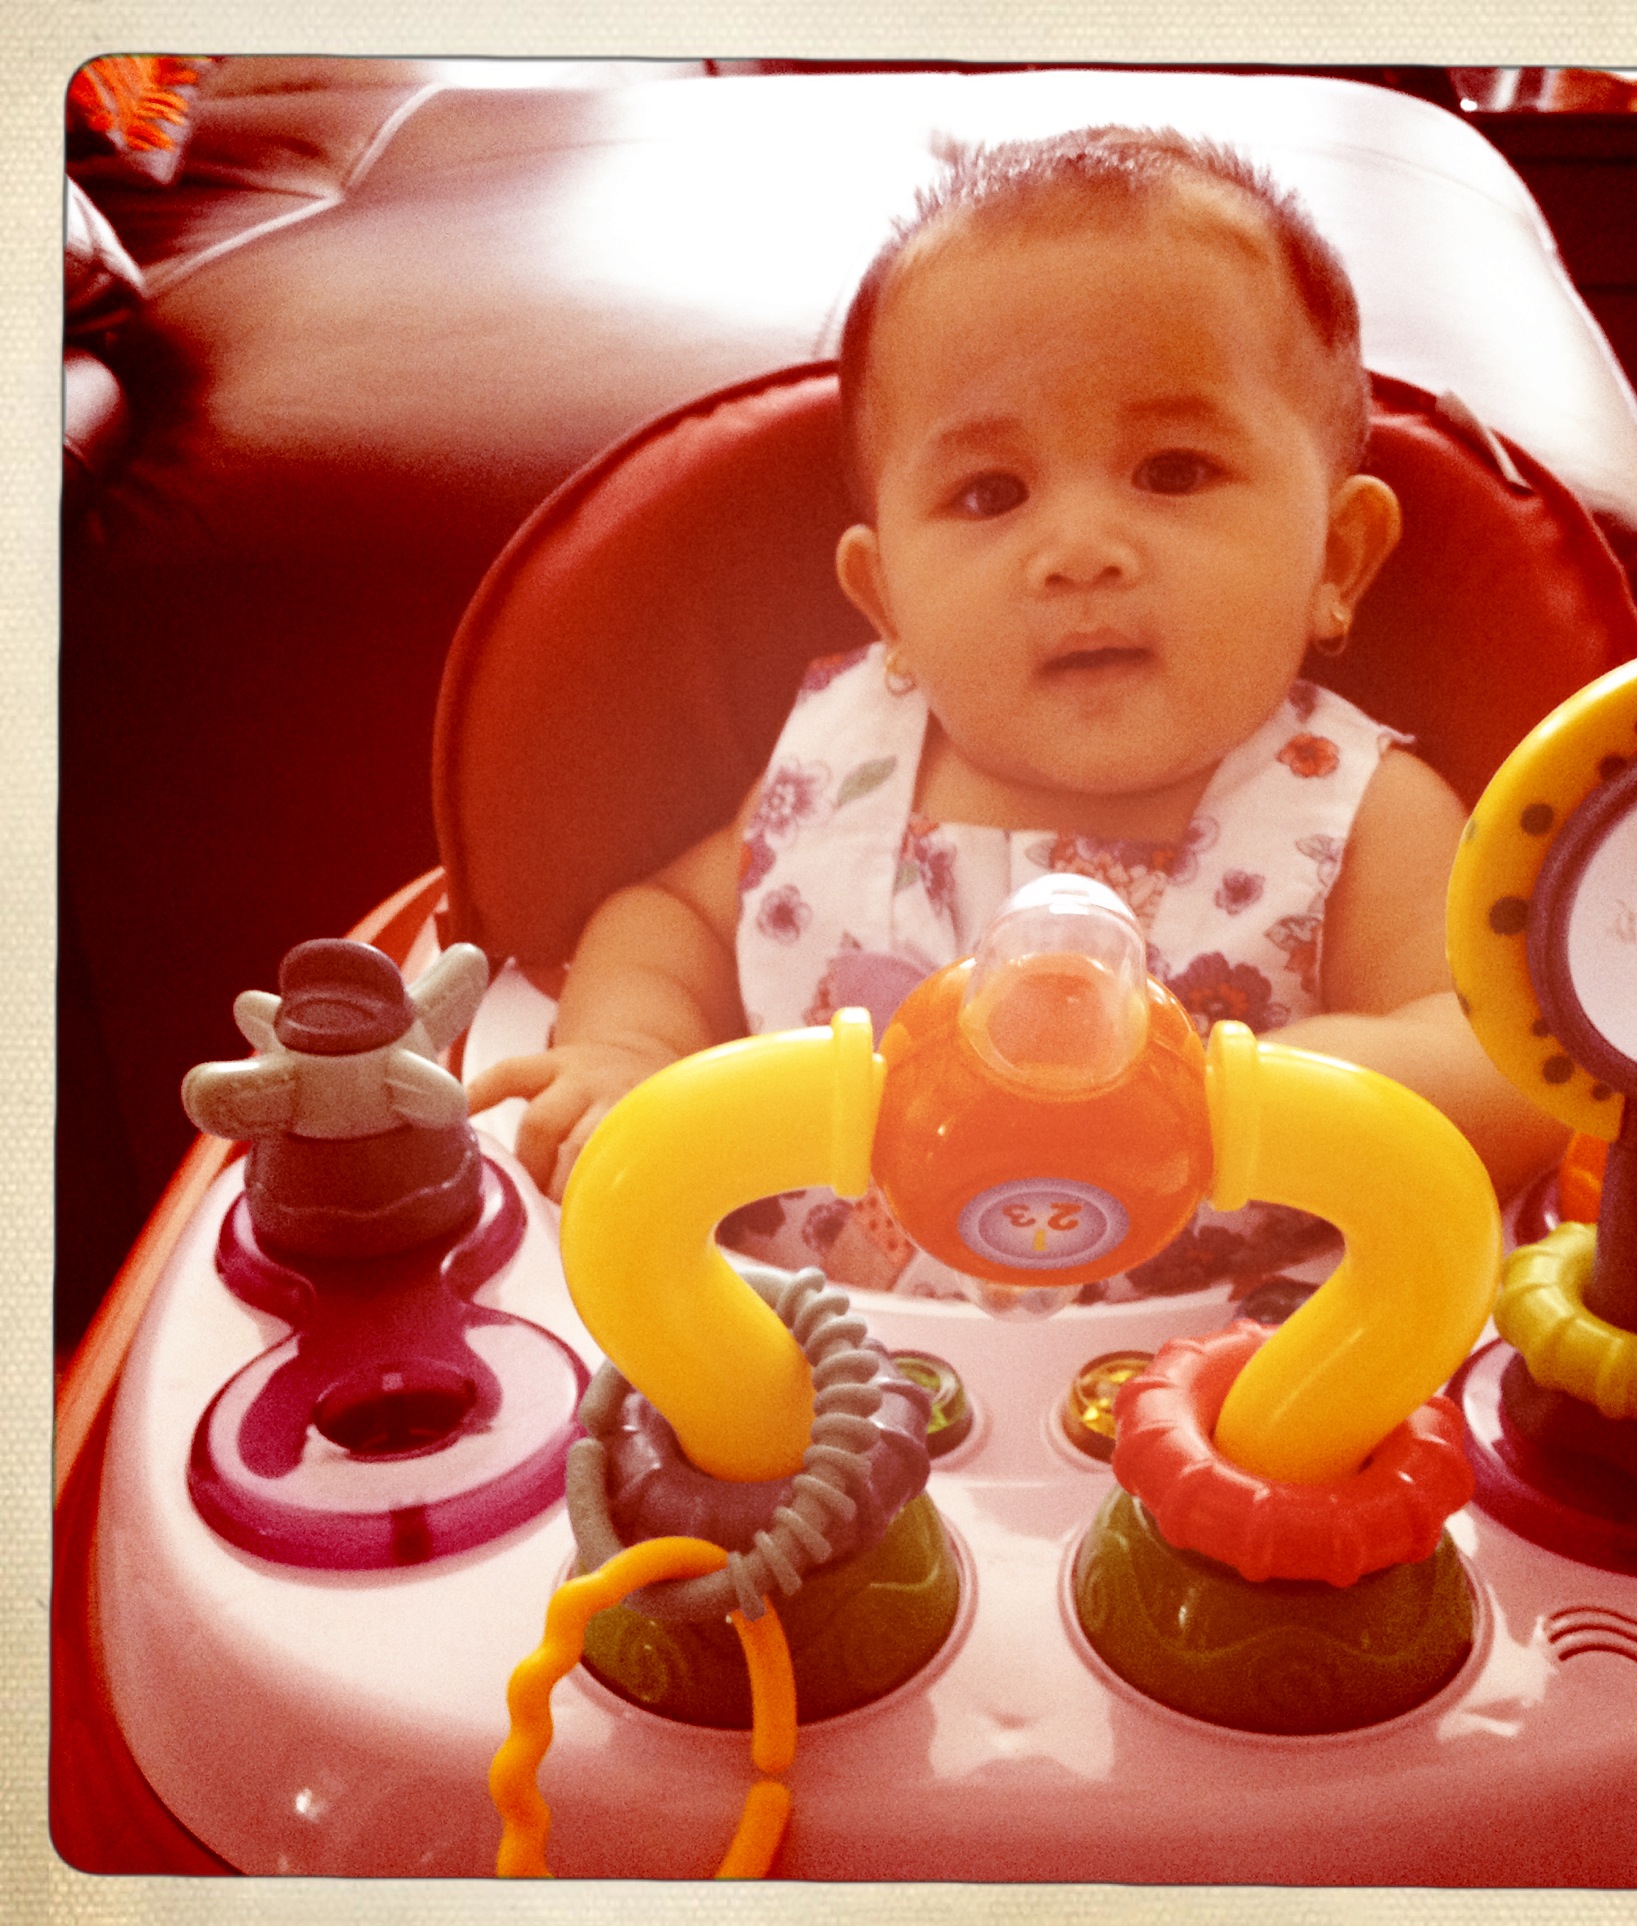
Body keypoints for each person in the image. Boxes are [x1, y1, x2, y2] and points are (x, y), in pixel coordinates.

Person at [468, 126, 1568, 1299]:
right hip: (787, 1358)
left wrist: (1266, 1103)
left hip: (1227, 1384)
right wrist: (630, 1050)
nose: (1078, 550)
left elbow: (1510, 1062)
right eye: (990, 493)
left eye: (1173, 471)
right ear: (886, 599)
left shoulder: (1353, 814)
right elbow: (667, 920)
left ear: (1335, 558)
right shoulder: (836, 761)